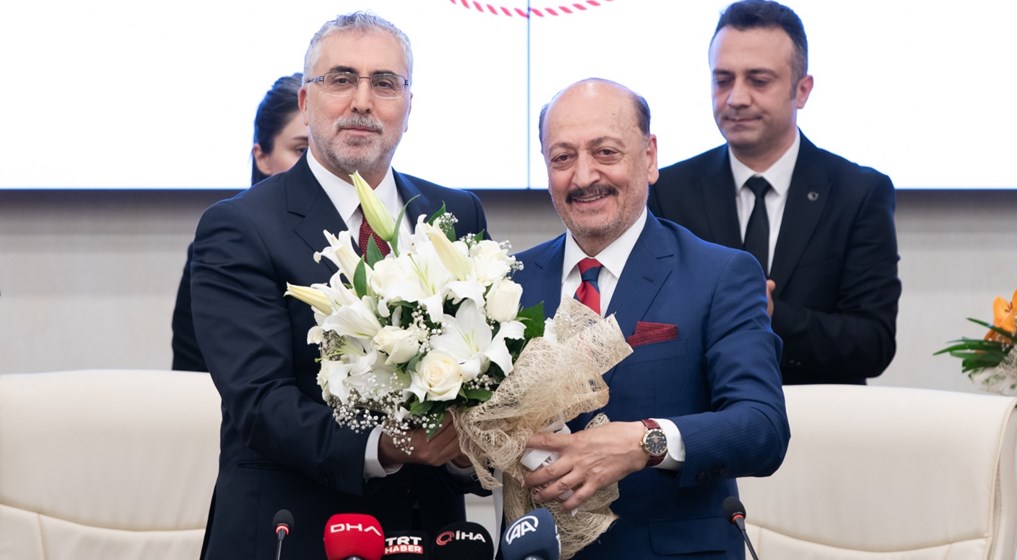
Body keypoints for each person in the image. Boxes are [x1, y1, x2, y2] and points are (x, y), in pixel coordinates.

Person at [189, 13, 488, 559]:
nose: (362, 102)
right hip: (292, 532)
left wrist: (472, 446)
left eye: (385, 83)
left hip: (430, 532)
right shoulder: (240, 227)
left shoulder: (456, 213)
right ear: (307, 101)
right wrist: (386, 446)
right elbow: (259, 401)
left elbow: (483, 371)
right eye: (342, 79)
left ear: (408, 106)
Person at [515, 78, 789, 559]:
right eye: (562, 158)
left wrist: (645, 441)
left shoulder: (719, 274)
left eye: (605, 152)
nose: (584, 177)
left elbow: (762, 428)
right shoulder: (508, 283)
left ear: (649, 156)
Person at [649, 0, 901, 385]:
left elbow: (873, 343)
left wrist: (769, 315)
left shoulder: (859, 193)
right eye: (723, 80)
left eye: (759, 80)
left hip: (819, 416)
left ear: (802, 91)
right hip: (701, 415)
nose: (736, 98)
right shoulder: (667, 191)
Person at [171, 73, 307, 372]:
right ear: (262, 157)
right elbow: (196, 374)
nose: (314, 164)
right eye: (301, 150)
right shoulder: (228, 242)